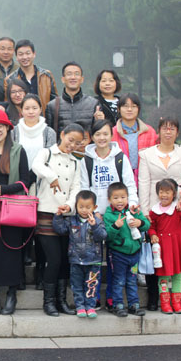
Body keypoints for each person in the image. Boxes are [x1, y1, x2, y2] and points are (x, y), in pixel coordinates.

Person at [138, 116, 181, 311]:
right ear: (159, 131)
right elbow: (144, 183)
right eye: (165, 128)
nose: (168, 132)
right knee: (154, 253)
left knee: (180, 254)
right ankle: (154, 297)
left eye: (172, 128)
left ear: (177, 132)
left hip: (177, 210)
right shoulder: (147, 154)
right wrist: (145, 211)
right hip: (155, 211)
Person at [80, 119, 138, 310]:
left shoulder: (120, 158)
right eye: (98, 134)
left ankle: (113, 298)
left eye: (105, 134)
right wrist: (93, 212)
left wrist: (132, 205)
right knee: (95, 259)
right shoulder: (86, 160)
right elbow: (84, 187)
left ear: (111, 135)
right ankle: (94, 297)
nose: (102, 138)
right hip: (95, 217)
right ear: (92, 137)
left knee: (115, 259)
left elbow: (129, 184)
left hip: (117, 216)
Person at [31, 123, 84, 316]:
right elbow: (36, 166)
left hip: (66, 215)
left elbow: (76, 187)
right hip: (46, 212)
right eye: (71, 140)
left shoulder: (75, 162)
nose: (72, 145)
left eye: (77, 143)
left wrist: (70, 205)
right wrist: (52, 176)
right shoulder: (47, 153)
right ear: (62, 135)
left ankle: (61, 301)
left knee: (64, 261)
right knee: (53, 259)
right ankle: (49, 302)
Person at [0, 109, 30, 315]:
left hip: (12, 208)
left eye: (0, 127)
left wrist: (4, 190)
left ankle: (11, 293)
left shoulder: (18, 150)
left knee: (12, 250)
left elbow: (26, 181)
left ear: (8, 129)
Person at [12, 94, 56, 289]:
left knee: (41, 231)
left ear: (40, 109)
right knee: (21, 229)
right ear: (21, 110)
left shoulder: (48, 132)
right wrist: (23, 179)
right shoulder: (14, 131)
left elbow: (50, 159)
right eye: (27, 108)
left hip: (42, 185)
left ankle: (40, 274)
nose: (31, 112)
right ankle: (19, 274)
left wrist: (34, 175)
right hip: (19, 186)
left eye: (34, 108)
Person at [53, 190, 106, 318]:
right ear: (76, 206)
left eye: (88, 207)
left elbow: (102, 236)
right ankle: (80, 306)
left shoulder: (97, 221)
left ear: (94, 207)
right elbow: (60, 229)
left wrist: (94, 226)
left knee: (91, 284)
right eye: (81, 207)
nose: (84, 210)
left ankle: (90, 306)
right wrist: (58, 216)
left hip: (93, 260)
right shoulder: (72, 221)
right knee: (76, 285)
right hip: (76, 259)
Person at [148, 179, 181, 314]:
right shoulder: (154, 211)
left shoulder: (178, 208)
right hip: (163, 247)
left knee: (177, 275)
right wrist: (153, 235)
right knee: (163, 275)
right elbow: (152, 226)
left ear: (173, 194)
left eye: (167, 192)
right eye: (161, 192)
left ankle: (177, 303)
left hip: (176, 246)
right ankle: (165, 303)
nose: (164, 195)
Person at [103, 182, 149, 317]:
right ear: (109, 199)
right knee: (118, 280)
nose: (120, 201)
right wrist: (116, 226)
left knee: (132, 280)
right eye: (116, 198)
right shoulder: (109, 215)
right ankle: (117, 305)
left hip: (134, 253)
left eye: (123, 197)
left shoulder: (133, 211)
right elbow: (107, 236)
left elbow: (147, 225)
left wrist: (140, 222)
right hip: (118, 254)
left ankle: (134, 305)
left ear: (128, 198)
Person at [45, 62, 104, 134]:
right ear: (63, 79)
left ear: (82, 79)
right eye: (69, 74)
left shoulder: (94, 104)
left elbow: (98, 132)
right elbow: (49, 135)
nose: (73, 77)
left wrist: (100, 121)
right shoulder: (52, 105)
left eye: (77, 74)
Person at [112, 93, 158, 184]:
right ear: (119, 109)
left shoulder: (149, 132)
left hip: (145, 179)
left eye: (133, 106)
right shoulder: (112, 133)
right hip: (119, 179)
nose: (129, 109)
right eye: (125, 106)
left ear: (138, 109)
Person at [4, 39, 57, 112]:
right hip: (20, 118)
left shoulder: (46, 75)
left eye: (28, 53)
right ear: (16, 57)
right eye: (21, 54)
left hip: (44, 117)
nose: (25, 57)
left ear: (34, 54)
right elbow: (8, 104)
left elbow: (54, 101)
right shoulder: (10, 80)